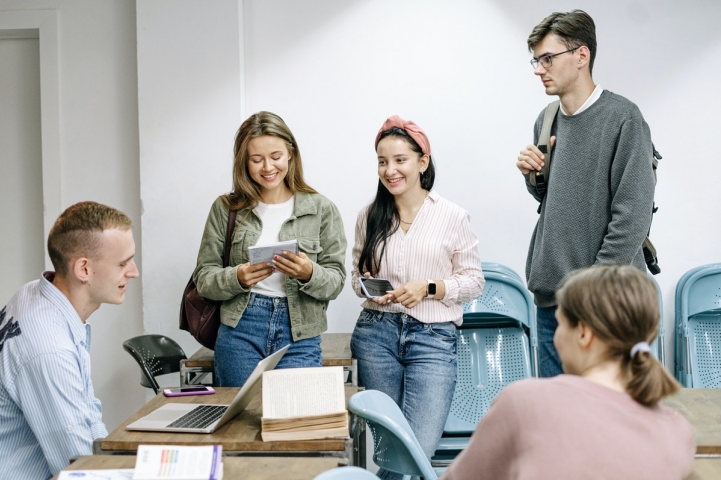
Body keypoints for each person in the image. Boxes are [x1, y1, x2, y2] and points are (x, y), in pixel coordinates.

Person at [440, 265, 695, 480]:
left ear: (583, 333)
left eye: (560, 324)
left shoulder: (525, 402)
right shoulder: (678, 433)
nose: (555, 337)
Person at [0, 201, 139, 480]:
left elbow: (86, 414)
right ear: (84, 269)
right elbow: (80, 471)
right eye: (123, 263)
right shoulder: (48, 349)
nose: (133, 271)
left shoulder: (36, 294)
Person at [516, 10, 657, 377]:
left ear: (582, 56)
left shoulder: (623, 119)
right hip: (552, 302)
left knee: (609, 422)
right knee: (557, 422)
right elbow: (555, 202)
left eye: (548, 58)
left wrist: (590, 291)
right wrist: (535, 177)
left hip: (605, 305)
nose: (538, 69)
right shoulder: (546, 119)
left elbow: (633, 217)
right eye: (536, 59)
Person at [351, 115, 484, 479]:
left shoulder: (453, 216)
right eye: (382, 161)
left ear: (422, 162)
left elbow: (474, 281)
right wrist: (367, 287)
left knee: (415, 448)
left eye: (399, 160)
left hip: (434, 337)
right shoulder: (369, 216)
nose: (390, 170)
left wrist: (428, 287)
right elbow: (354, 275)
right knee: (389, 448)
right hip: (376, 334)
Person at [193, 111, 347, 387]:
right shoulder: (226, 209)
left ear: (290, 153)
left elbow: (336, 282)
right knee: (238, 424)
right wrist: (237, 277)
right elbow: (204, 279)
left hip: (300, 333)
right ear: (244, 162)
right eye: (256, 159)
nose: (267, 167)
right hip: (240, 329)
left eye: (275, 156)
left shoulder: (321, 209)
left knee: (295, 422)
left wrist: (309, 272)